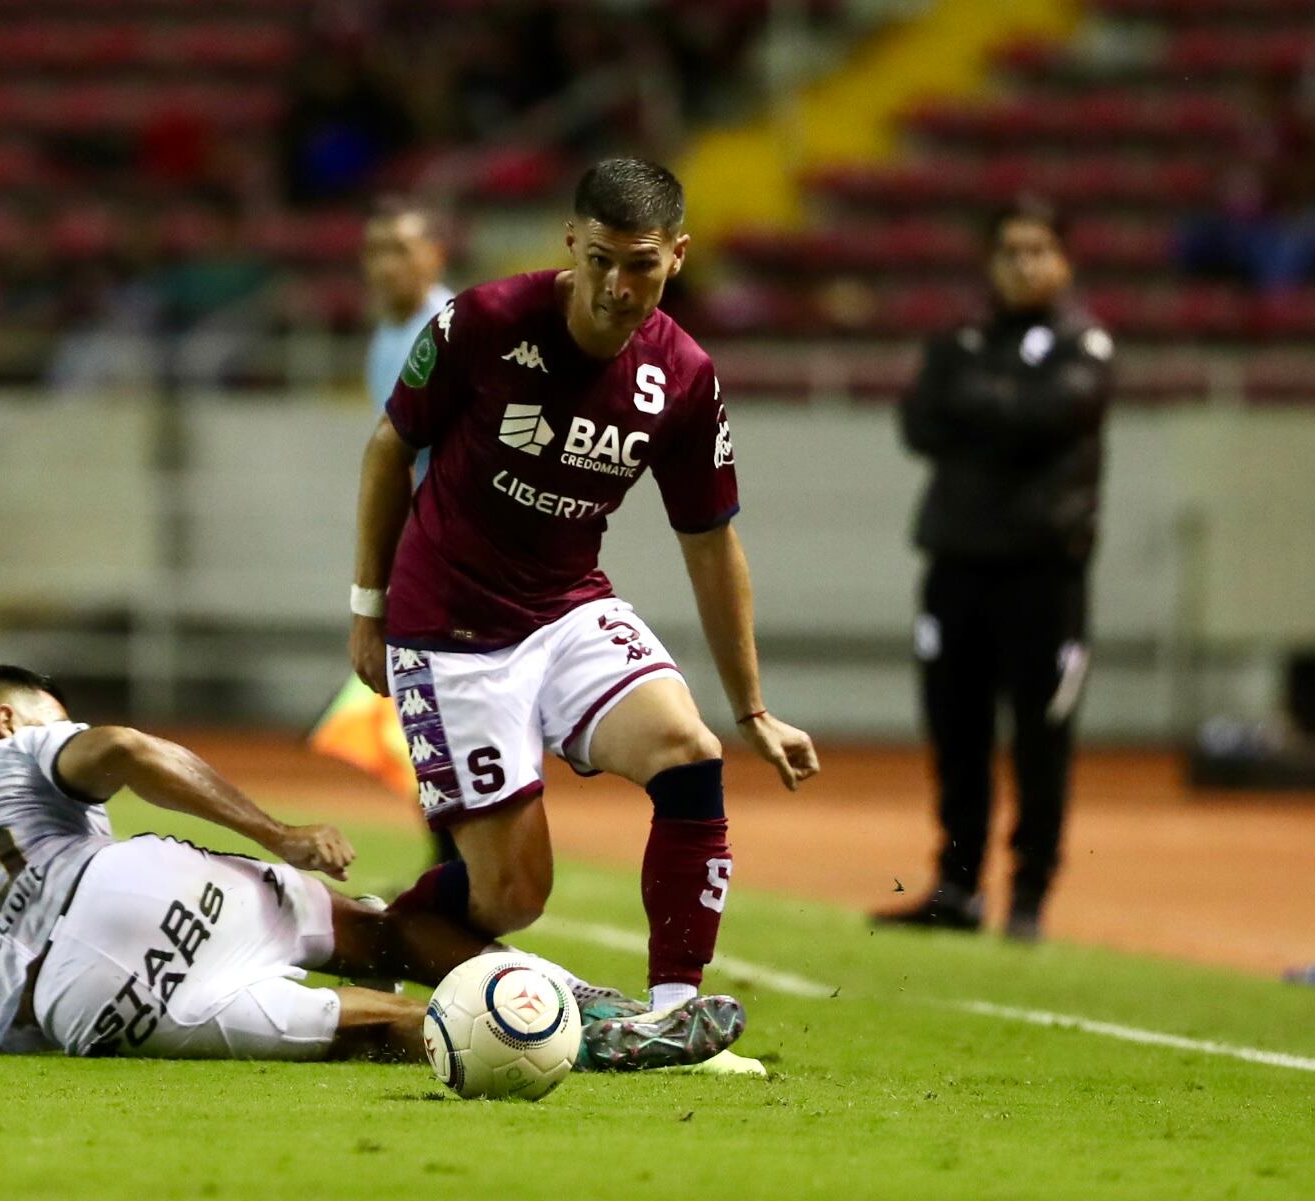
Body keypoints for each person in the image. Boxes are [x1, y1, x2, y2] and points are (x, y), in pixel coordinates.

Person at [0, 665, 745, 1070]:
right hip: (130, 888)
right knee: (371, 930)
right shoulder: (16, 750)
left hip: (77, 1008)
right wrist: (278, 832)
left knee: (369, 1029)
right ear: (9, 721)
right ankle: (605, 1013)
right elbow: (138, 755)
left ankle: (560, 1041)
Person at [347, 158, 820, 1019]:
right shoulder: (483, 322)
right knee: (514, 895)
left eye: (639, 263)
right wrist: (367, 608)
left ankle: (675, 1013)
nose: (614, 286)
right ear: (572, 241)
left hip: (567, 605)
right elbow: (389, 448)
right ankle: (360, 935)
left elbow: (710, 542)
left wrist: (751, 707)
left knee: (689, 751)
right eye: (599, 258)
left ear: (677, 256)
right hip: (448, 625)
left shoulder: (684, 375)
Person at [877, 197, 1114, 942]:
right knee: (957, 735)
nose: (1024, 263)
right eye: (1011, 249)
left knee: (1041, 740)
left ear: (1064, 260)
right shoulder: (958, 337)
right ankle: (957, 885)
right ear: (990, 259)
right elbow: (918, 422)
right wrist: (1003, 413)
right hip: (956, 566)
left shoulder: (1086, 342)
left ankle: (1029, 896)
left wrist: (979, 411)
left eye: (1039, 249)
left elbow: (1050, 414)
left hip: (1044, 574)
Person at [312, 198, 455, 855]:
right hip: (419, 547)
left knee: (435, 704)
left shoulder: (450, 331)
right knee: (413, 706)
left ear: (435, 256)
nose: (384, 264)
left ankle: (462, 860)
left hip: (456, 548)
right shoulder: (387, 339)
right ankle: (448, 858)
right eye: (374, 250)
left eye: (399, 248)